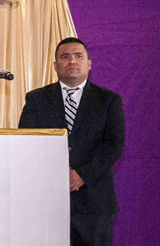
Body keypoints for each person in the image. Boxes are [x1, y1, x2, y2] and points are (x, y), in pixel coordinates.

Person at [19, 37, 125, 246]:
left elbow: (114, 144)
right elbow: (27, 142)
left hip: (94, 201)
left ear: (89, 63)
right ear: (55, 65)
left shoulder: (109, 100)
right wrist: (57, 175)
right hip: (47, 199)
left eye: (78, 56)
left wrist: (82, 175)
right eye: (65, 57)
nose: (72, 61)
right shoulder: (36, 99)